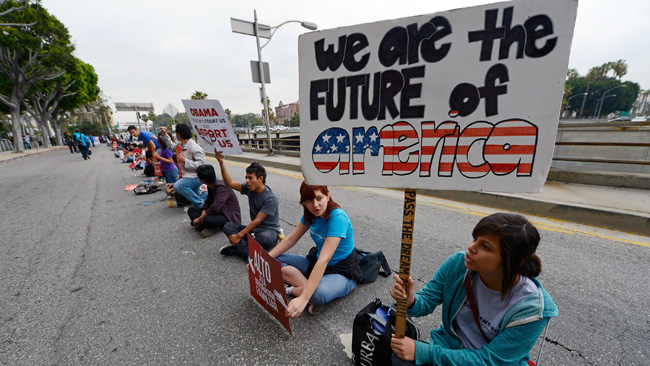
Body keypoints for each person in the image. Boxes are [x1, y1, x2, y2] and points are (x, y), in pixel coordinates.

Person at [389, 213, 558, 366]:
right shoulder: (458, 264)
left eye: (485, 246)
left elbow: (492, 361)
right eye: (475, 238)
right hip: (447, 347)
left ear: (513, 260)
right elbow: (425, 301)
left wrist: (423, 352)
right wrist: (410, 300)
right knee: (397, 359)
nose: (471, 247)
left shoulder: (533, 308)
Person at [267, 182, 361, 317]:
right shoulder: (311, 215)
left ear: (328, 196)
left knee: (317, 294)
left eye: (319, 198)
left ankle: (294, 289)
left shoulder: (338, 218)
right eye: (309, 201)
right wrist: (261, 260)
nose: (315, 205)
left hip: (342, 271)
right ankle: (309, 287)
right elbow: (290, 239)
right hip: (316, 262)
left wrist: (303, 298)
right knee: (273, 259)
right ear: (304, 202)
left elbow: (324, 259)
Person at [214, 149, 280, 259]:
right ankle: (247, 252)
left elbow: (258, 220)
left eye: (250, 178)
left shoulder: (270, 198)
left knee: (265, 239)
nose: (247, 181)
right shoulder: (249, 189)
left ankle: (239, 249)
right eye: (246, 178)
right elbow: (229, 183)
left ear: (260, 179)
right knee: (228, 226)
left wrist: (239, 236)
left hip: (269, 232)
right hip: (254, 230)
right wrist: (221, 162)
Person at [187, 164, 242, 238]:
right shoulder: (210, 185)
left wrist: (200, 218)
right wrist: (203, 210)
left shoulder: (222, 187)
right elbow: (208, 202)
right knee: (191, 210)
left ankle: (207, 225)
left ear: (202, 180)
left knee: (206, 219)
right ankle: (209, 226)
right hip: (215, 213)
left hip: (227, 215)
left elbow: (215, 207)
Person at [165, 123, 206, 207]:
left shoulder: (195, 147)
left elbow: (202, 165)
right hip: (187, 175)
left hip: (196, 176)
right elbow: (171, 146)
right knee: (196, 195)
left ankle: (202, 205)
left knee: (178, 186)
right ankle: (202, 209)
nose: (176, 135)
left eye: (176, 133)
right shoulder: (180, 145)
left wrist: (185, 161)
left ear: (179, 134)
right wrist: (164, 135)